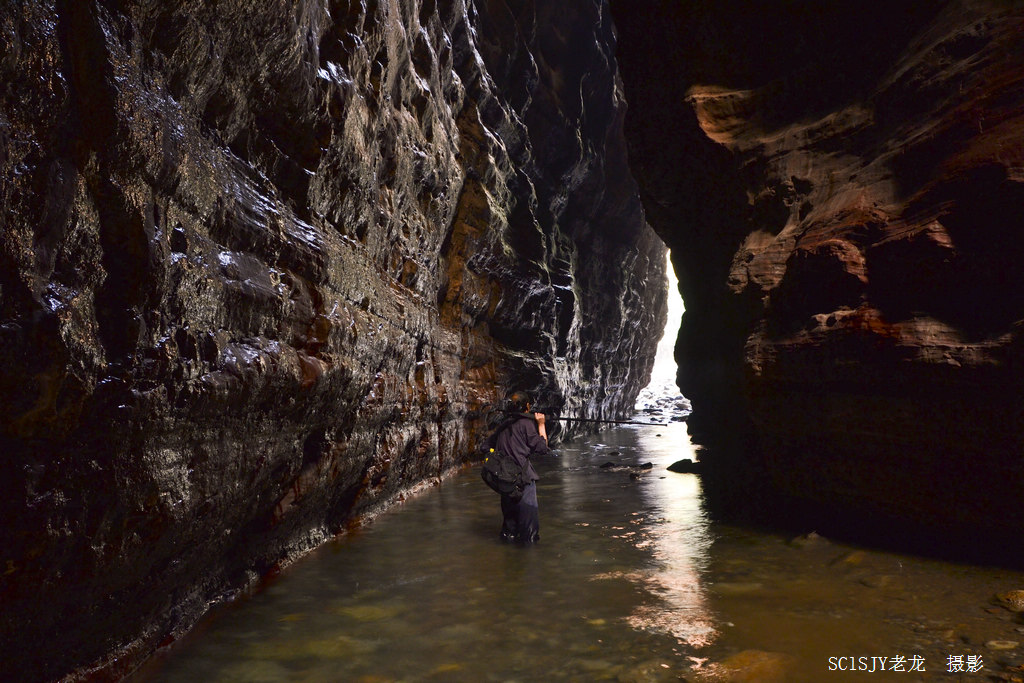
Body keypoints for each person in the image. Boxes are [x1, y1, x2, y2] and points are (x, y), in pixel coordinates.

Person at [486, 391, 549, 543]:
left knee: (509, 530)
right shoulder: (526, 424)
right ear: (527, 406)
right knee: (530, 534)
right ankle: (529, 559)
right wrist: (541, 424)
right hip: (522, 481)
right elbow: (542, 448)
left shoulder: (503, 424)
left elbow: (486, 446)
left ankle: (509, 560)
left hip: (505, 481)